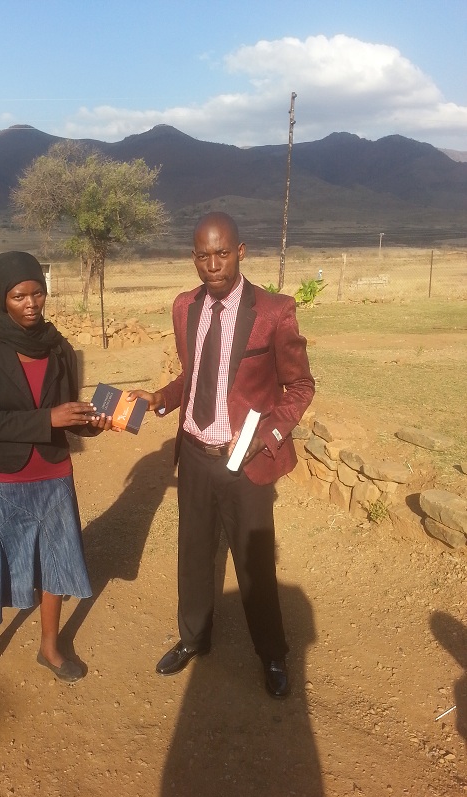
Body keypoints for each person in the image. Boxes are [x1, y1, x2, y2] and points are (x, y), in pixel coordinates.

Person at [129, 212, 315, 698]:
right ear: (193, 257)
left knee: (254, 563)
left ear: (241, 252)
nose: (213, 264)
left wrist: (264, 437)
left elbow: (300, 387)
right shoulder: (184, 307)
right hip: (193, 452)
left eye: (222, 253)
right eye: (203, 256)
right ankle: (194, 638)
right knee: (193, 553)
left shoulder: (274, 311)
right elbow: (194, 375)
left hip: (244, 462)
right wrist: (160, 398)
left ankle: (271, 653)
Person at [0, 251, 113, 695]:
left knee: (54, 562)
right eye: (19, 296)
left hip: (53, 473)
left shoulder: (56, 346)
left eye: (37, 293)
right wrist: (47, 420)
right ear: (0, 297)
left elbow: (65, 414)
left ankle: (50, 647)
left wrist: (92, 423)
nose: (31, 303)